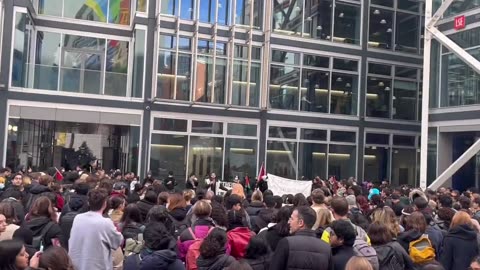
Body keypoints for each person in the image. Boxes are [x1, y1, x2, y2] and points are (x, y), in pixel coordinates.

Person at [69, 188, 123, 270]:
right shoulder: (105, 222)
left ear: (88, 203)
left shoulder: (78, 218)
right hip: (97, 266)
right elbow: (118, 241)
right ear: (105, 204)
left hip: (77, 266)